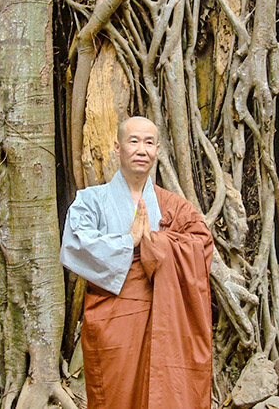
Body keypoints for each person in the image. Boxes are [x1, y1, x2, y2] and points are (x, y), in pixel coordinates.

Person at [60, 116, 213, 409]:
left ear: (157, 150)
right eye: (133, 141)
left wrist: (157, 243)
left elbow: (202, 243)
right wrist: (128, 242)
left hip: (166, 317)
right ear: (117, 148)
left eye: (148, 142)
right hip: (114, 321)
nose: (141, 149)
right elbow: (75, 244)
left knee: (165, 394)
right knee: (115, 396)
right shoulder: (91, 200)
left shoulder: (174, 205)